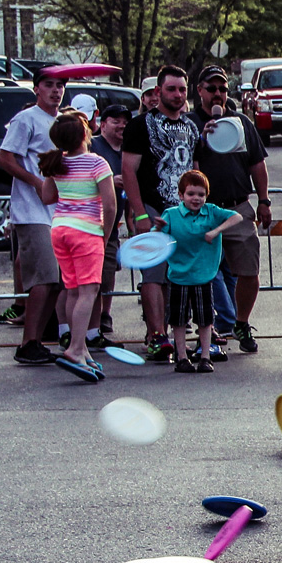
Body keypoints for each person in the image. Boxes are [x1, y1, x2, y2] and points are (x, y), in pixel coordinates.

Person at [188, 64, 272, 353]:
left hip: (237, 207)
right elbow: (184, 165)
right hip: (202, 211)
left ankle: (241, 322)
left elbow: (257, 164)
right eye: (211, 89)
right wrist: (200, 137)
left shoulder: (241, 123)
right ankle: (207, 332)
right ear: (199, 91)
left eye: (222, 89)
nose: (217, 94)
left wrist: (263, 200)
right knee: (202, 273)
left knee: (249, 271)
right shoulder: (189, 124)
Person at [122, 65, 202, 361]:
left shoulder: (192, 127)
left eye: (182, 89)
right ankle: (156, 334)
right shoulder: (141, 125)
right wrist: (140, 213)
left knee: (177, 275)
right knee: (154, 272)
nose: (178, 95)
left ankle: (169, 333)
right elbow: (128, 171)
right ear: (158, 92)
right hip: (152, 207)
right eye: (171, 89)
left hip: (181, 210)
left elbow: (195, 170)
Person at [39, 109, 115, 380]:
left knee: (72, 291)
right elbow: (110, 203)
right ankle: (75, 349)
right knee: (88, 292)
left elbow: (48, 197)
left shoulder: (57, 163)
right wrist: (104, 236)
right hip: (86, 230)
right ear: (86, 133)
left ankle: (80, 348)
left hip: (60, 228)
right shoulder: (97, 163)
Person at [0, 69, 67, 365]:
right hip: (32, 211)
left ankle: (37, 340)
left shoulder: (63, 122)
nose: (55, 91)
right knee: (43, 277)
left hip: (58, 211)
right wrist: (36, 182)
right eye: (49, 85)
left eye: (60, 85)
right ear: (37, 88)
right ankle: (28, 341)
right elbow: (4, 158)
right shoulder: (26, 119)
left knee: (55, 281)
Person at [154, 170, 243, 373]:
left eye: (201, 194)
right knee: (178, 319)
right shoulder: (172, 215)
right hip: (179, 276)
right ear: (181, 195)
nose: (196, 199)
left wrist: (216, 230)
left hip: (204, 276)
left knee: (205, 319)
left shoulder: (211, 212)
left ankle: (205, 356)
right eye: (191, 194)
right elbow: (157, 240)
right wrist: (158, 229)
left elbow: (237, 217)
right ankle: (182, 357)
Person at [88, 103, 130, 346]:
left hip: (114, 223)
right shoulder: (93, 146)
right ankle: (86, 329)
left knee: (109, 270)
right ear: (103, 124)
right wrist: (110, 180)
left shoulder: (127, 149)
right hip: (92, 221)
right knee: (91, 277)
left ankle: (105, 314)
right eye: (116, 120)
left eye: (125, 121)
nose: (122, 125)